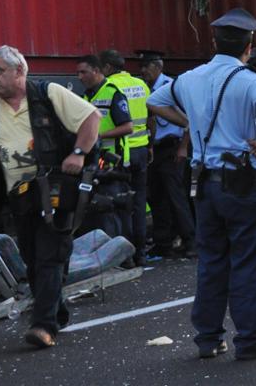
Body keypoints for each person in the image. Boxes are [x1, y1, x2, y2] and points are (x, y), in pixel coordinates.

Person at [147, 9, 256, 361]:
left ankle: (208, 338)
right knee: (250, 262)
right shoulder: (249, 79)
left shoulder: (191, 77)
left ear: (214, 42)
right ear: (249, 44)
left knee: (212, 261)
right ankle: (252, 340)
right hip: (242, 182)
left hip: (206, 184)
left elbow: (154, 102)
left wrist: (190, 121)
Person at [0, 45, 99, 348]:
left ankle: (44, 326)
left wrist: (79, 154)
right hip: (20, 198)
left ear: (20, 71)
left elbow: (91, 119)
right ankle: (57, 311)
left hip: (54, 192)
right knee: (32, 259)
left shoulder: (46, 94)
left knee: (49, 257)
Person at [138, 51, 195, 258]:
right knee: (157, 196)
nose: (143, 71)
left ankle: (191, 241)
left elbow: (189, 118)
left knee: (177, 195)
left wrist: (183, 147)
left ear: (158, 67)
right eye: (141, 67)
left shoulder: (171, 87)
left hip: (174, 147)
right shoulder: (146, 89)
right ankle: (164, 242)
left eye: (146, 66)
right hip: (155, 148)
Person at [97, 50, 151, 266]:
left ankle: (125, 255)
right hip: (143, 150)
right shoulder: (140, 84)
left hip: (122, 152)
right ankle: (142, 253)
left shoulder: (110, 88)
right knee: (139, 202)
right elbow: (151, 115)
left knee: (121, 205)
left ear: (108, 68)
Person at [76, 55, 133, 238]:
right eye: (77, 73)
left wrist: (97, 135)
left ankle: (123, 255)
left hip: (111, 164)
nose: (79, 77)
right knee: (98, 212)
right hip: (94, 163)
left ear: (96, 71)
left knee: (113, 209)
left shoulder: (113, 93)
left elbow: (127, 127)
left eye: (83, 72)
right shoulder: (87, 95)